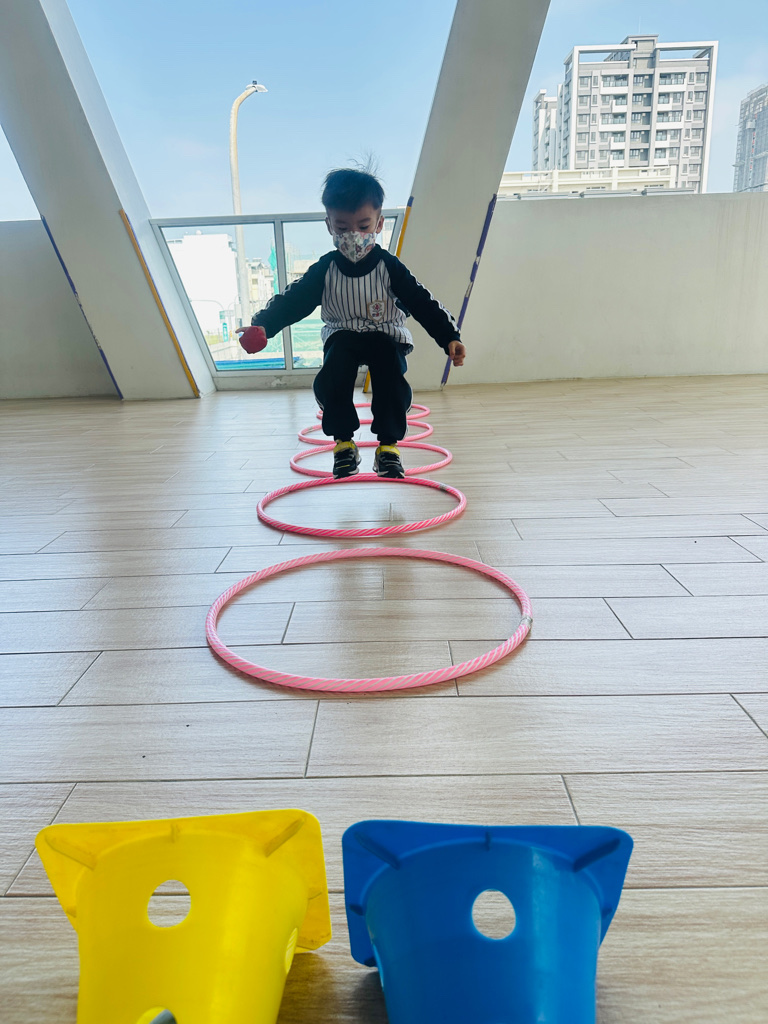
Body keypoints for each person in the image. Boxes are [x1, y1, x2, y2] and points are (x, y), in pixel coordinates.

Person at [237, 166, 466, 479]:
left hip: (385, 334)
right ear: (329, 224)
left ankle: (388, 448)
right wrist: (263, 325)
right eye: (342, 227)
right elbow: (294, 299)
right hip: (342, 334)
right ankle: (344, 444)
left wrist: (449, 336)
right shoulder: (326, 268)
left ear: (379, 224)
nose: (353, 235)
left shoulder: (389, 266)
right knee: (334, 373)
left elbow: (421, 301)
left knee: (389, 373)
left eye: (363, 225)